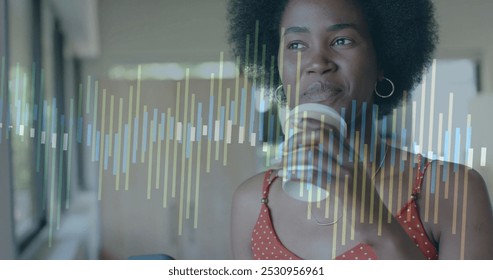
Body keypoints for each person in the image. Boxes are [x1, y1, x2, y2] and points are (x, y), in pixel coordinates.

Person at [227, 0, 493, 259]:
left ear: (382, 60)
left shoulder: (452, 191)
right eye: (296, 45)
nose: (317, 62)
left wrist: (377, 224)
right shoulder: (251, 203)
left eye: (342, 40)